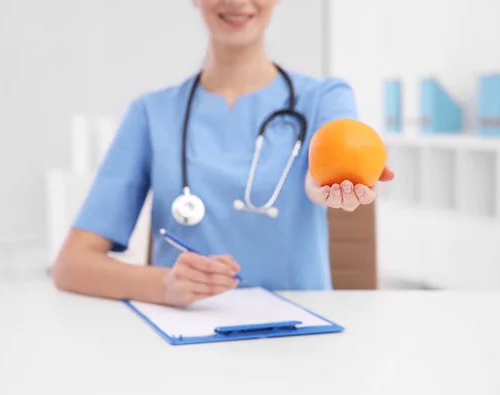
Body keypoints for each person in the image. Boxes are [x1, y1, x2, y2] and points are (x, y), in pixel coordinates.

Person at [52, 0, 394, 307]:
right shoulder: (151, 114)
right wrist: (164, 285)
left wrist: (329, 185)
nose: (236, 1)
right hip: (187, 338)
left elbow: (327, 165)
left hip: (300, 338)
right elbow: (72, 264)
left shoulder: (325, 97)